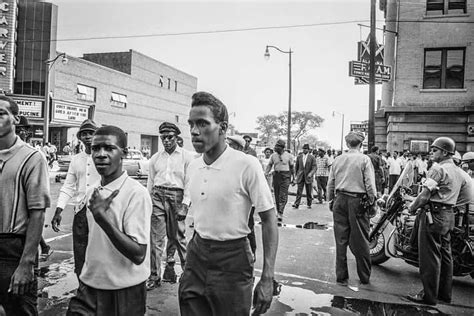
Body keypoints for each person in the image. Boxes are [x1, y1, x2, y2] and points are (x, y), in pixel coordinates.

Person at [179, 91, 278, 316]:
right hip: (196, 255)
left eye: (203, 124)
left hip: (233, 259)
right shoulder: (193, 167)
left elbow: (269, 219)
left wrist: (267, 277)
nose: (194, 131)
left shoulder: (246, 165)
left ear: (223, 127)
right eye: (191, 124)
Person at [66, 125, 152, 315]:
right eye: (96, 148)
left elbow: (138, 254)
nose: (101, 154)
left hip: (124, 291)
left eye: (109, 148)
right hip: (89, 286)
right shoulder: (92, 192)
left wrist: (102, 219)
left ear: (124, 153)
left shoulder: (136, 193)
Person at [406, 137, 473, 306]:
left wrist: (412, 208)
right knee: (445, 255)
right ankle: (444, 294)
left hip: (433, 215)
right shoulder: (459, 172)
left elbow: (424, 195)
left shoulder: (438, 169)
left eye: (435, 150)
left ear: (444, 152)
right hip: (448, 214)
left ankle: (428, 296)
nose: (431, 153)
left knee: (429, 257)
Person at [0, 96, 51, 315]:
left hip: (13, 249)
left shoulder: (32, 158)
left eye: (0, 113)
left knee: (20, 311)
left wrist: (27, 263)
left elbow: (37, 213)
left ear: (16, 119)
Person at [146, 122, 194, 289]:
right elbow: (150, 182)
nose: (166, 140)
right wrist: (148, 201)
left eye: (169, 137)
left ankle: (189, 275)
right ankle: (154, 276)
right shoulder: (155, 158)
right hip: (157, 195)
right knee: (156, 238)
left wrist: (185, 204)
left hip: (177, 196)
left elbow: (189, 182)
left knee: (178, 237)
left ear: (176, 137)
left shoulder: (186, 157)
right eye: (163, 137)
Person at [51, 119, 100, 279]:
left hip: (101, 212)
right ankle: (82, 286)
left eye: (91, 133)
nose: (87, 137)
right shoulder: (76, 159)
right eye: (84, 134)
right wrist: (59, 209)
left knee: (100, 251)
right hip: (80, 211)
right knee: (80, 250)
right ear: (80, 137)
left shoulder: (103, 157)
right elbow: (68, 186)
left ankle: (100, 288)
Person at [327, 131, 377, 286]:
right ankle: (364, 276)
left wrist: (331, 200)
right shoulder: (364, 159)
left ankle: (341, 275)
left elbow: (331, 183)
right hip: (358, 200)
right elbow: (369, 184)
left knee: (340, 239)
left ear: (347, 144)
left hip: (340, 199)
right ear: (361, 144)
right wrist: (372, 201)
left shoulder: (338, 159)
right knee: (361, 238)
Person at [266, 139, 295, 221]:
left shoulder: (289, 156)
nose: (275, 147)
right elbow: (269, 165)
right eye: (276, 146)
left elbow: (292, 168)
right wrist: (266, 173)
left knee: (283, 195)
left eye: (277, 146)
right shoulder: (273, 156)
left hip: (285, 176)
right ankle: (278, 210)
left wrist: (294, 178)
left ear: (282, 148)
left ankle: (280, 212)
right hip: (276, 176)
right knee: (277, 195)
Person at [292, 144, 316, 209]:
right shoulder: (299, 157)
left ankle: (309, 203)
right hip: (300, 176)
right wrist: (296, 176)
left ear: (308, 150)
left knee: (308, 191)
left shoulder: (312, 157)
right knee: (299, 191)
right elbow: (296, 167)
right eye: (303, 149)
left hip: (308, 177)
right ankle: (296, 204)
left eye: (305, 149)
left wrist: (311, 173)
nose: (304, 150)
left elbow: (314, 167)